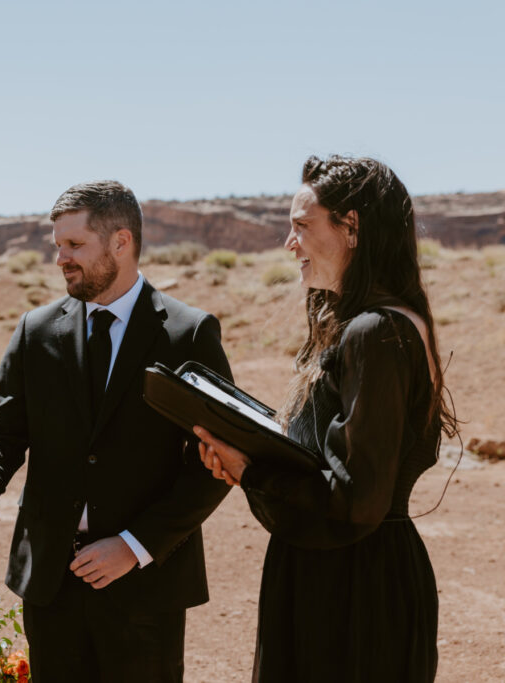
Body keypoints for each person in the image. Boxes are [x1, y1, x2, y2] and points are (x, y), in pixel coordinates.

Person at [195, 155, 455, 683]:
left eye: (302, 226)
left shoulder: (375, 332)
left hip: (351, 590)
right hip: (346, 573)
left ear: (352, 227)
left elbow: (356, 499)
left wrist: (252, 471)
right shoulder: (382, 323)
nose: (290, 244)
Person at [0, 180, 233, 682]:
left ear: (121, 242)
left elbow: (214, 464)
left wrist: (134, 545)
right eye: (57, 246)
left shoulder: (187, 333)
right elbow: (3, 430)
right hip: (51, 582)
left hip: (145, 586)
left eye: (75, 245)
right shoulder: (35, 330)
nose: (61, 258)